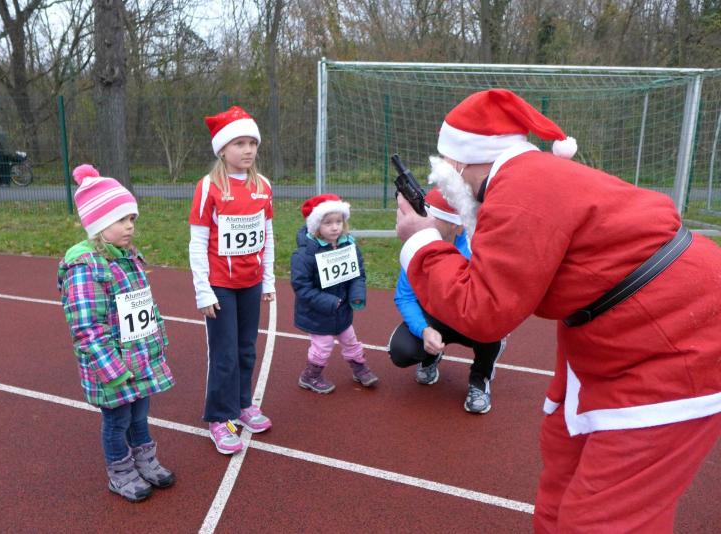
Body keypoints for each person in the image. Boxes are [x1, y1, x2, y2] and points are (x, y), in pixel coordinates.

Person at [394, 88, 721, 533]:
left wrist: (419, 241)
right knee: (562, 472)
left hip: (676, 341)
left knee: (605, 519)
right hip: (623, 332)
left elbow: (483, 311)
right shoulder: (525, 179)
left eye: (447, 163)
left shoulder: (520, 190)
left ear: (462, 161)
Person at [57, 164, 176, 503]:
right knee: (118, 420)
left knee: (139, 414)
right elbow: (87, 328)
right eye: (120, 219)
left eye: (131, 219)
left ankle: (144, 460)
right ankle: (120, 472)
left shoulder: (128, 258)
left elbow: (144, 306)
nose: (129, 226)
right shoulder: (85, 269)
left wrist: (157, 343)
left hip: (140, 358)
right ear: (98, 224)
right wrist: (113, 370)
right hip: (112, 368)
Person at [189, 105, 275, 455]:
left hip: (250, 282)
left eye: (252, 143)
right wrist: (203, 290)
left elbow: (268, 236)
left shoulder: (263, 186)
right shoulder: (208, 187)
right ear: (222, 149)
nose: (248, 150)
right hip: (220, 286)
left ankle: (242, 404)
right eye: (239, 143)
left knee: (246, 348)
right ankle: (219, 418)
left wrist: (268, 280)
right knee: (223, 354)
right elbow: (197, 241)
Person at [388, 186, 505, 413]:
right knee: (401, 351)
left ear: (457, 225)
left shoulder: (477, 250)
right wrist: (424, 330)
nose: (426, 223)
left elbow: (494, 299)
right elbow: (404, 296)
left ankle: (479, 379)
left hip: (470, 318)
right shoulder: (420, 244)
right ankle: (432, 354)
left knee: (494, 327)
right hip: (436, 318)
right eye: (426, 216)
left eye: (435, 218)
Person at [291, 193, 377, 394]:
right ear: (316, 226)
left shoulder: (349, 246)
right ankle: (310, 376)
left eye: (338, 221)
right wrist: (329, 302)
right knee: (323, 345)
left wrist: (356, 294)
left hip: (343, 309)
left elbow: (358, 275)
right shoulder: (304, 255)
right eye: (328, 223)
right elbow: (302, 287)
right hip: (318, 312)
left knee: (350, 339)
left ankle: (359, 368)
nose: (335, 227)